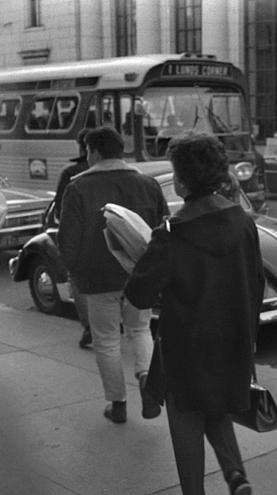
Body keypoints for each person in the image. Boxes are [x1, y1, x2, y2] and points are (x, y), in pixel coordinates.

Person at [125, 134, 265, 495]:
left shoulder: (173, 233)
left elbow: (138, 294)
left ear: (182, 183)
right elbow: (255, 283)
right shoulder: (243, 221)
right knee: (216, 407)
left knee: (186, 417)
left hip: (187, 342)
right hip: (235, 339)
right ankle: (236, 475)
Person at [59, 126, 169, 424]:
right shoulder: (148, 184)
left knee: (106, 339)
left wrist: (73, 270)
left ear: (93, 151)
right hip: (139, 275)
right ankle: (147, 379)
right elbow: (161, 231)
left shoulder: (78, 187)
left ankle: (117, 404)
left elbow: (67, 239)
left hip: (97, 278)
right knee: (140, 330)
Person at [53, 127, 92, 349]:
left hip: (83, 242)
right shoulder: (130, 174)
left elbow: (60, 212)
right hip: (116, 240)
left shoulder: (71, 174)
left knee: (79, 283)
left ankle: (89, 326)